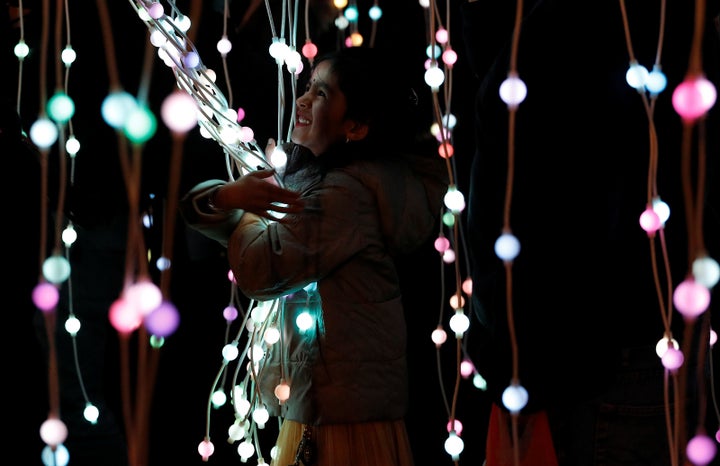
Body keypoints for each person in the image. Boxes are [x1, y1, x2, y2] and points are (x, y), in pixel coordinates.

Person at [461, 1, 720, 465]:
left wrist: (514, 368)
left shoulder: (558, 36)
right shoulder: (675, 25)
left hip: (588, 367)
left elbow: (540, 216)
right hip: (664, 344)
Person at [180, 46, 449, 466]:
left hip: (343, 423)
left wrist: (244, 204)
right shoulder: (324, 184)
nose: (303, 99)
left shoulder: (345, 196)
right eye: (308, 87)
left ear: (356, 127)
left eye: (322, 94)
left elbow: (261, 269)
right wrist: (225, 198)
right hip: (333, 407)